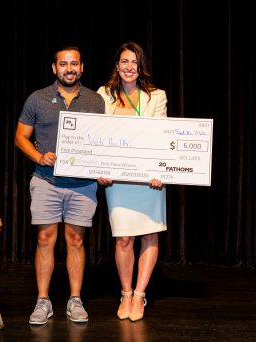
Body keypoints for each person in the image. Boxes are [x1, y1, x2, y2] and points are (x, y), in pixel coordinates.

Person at [15, 45, 105, 325]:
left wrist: (102, 167)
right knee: (45, 240)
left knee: (76, 241)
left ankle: (74, 300)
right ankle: (43, 301)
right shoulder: (37, 98)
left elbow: (103, 142)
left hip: (83, 185)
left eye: (74, 63)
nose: (69, 68)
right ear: (55, 68)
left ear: (82, 67)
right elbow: (20, 137)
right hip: (46, 181)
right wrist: (40, 157)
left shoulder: (95, 101)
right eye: (63, 64)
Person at [96, 42, 167, 322]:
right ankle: (125, 292)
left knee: (149, 234)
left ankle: (140, 294)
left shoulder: (156, 96)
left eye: (134, 63)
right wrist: (98, 168)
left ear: (141, 67)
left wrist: (161, 170)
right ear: (116, 65)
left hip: (150, 179)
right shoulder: (103, 94)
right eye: (124, 62)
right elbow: (97, 136)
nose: (129, 67)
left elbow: (162, 135)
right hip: (118, 180)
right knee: (124, 237)